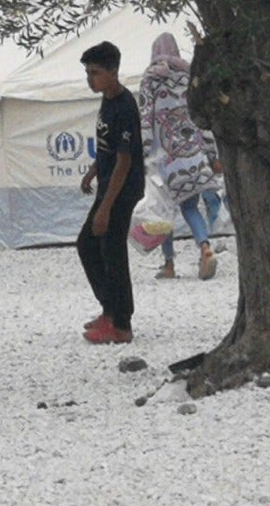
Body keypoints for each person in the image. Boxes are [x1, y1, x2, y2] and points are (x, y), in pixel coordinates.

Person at [139, 32, 224, 281]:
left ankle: (169, 265)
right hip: (192, 155)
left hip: (164, 158)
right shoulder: (189, 77)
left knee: (164, 214)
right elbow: (201, 119)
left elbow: (145, 119)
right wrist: (211, 154)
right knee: (190, 207)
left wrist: (142, 152)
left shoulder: (150, 79)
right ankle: (205, 248)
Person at [77, 42, 145, 344]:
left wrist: (105, 207)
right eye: (87, 73)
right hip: (106, 184)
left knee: (111, 251)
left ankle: (121, 324)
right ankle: (109, 309)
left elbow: (124, 160)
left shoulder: (125, 106)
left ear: (113, 72)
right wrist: (93, 170)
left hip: (122, 190)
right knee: (89, 245)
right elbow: (107, 146)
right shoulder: (106, 100)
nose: (90, 79)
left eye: (95, 73)